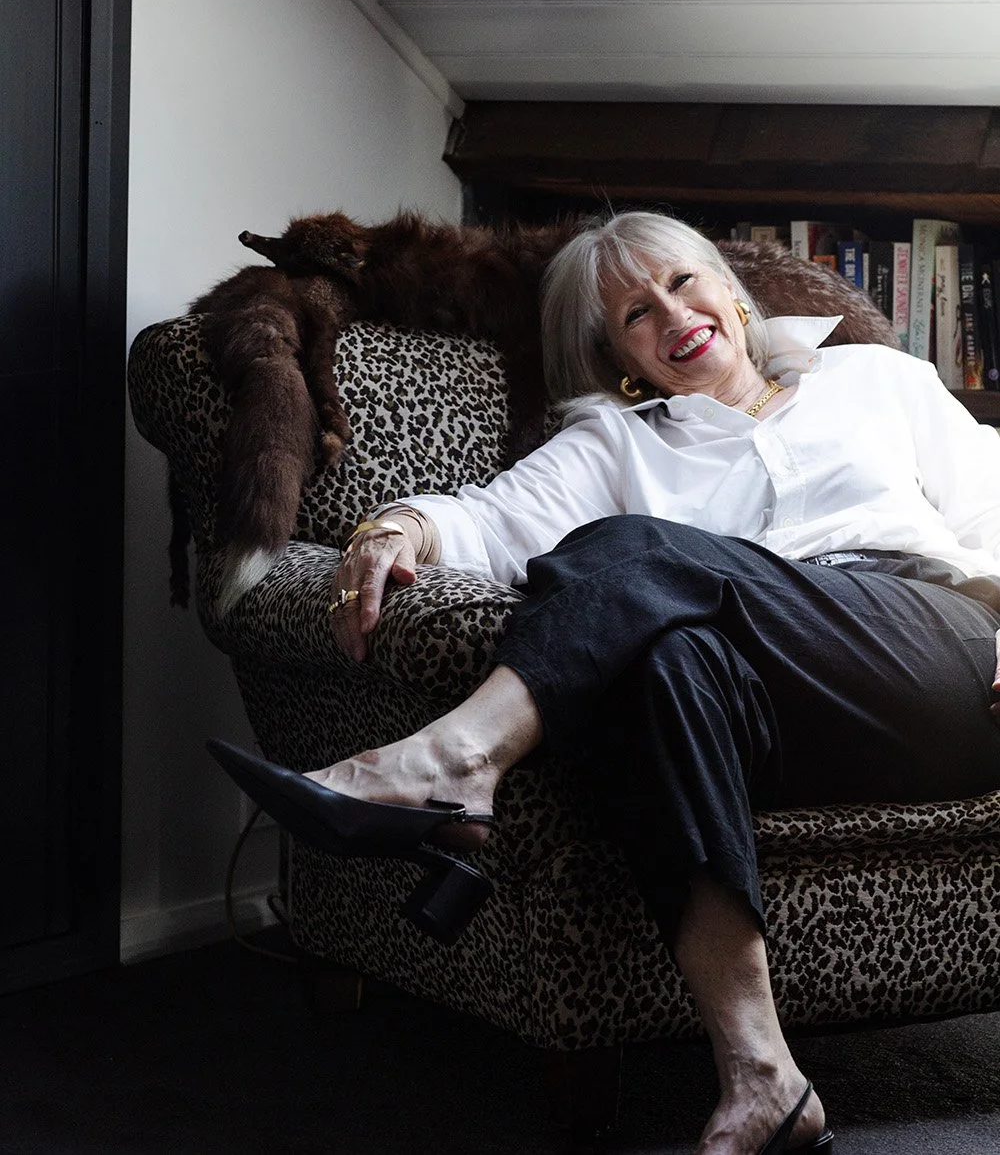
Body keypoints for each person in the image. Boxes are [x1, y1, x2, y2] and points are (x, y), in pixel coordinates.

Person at [210, 211, 1000, 1155]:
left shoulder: (881, 380)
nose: (671, 315)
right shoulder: (620, 441)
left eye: (681, 282)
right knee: (664, 665)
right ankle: (762, 1076)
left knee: (635, 551)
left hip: (936, 659)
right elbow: (490, 521)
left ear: (731, 292)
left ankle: (455, 760)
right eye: (635, 312)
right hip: (782, 713)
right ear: (619, 354)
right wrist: (395, 529)